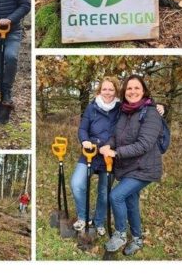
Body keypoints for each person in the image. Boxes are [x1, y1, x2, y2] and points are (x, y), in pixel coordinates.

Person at [100, 74, 164, 256]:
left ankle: (120, 234)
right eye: (129, 88)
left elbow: (144, 144)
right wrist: (109, 145)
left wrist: (116, 153)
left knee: (116, 196)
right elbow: (117, 135)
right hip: (129, 167)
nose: (133, 91)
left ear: (143, 91)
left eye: (137, 88)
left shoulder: (150, 112)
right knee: (131, 201)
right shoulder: (124, 111)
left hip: (145, 168)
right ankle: (137, 239)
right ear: (124, 91)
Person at [70, 77, 121, 236]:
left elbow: (140, 98)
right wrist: (84, 140)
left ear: (116, 91)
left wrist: (159, 106)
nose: (107, 92)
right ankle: (83, 217)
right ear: (99, 91)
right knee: (77, 183)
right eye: (104, 89)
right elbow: (83, 128)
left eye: (111, 89)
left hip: (109, 157)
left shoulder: (121, 109)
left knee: (104, 193)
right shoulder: (91, 108)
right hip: (90, 153)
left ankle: (98, 221)